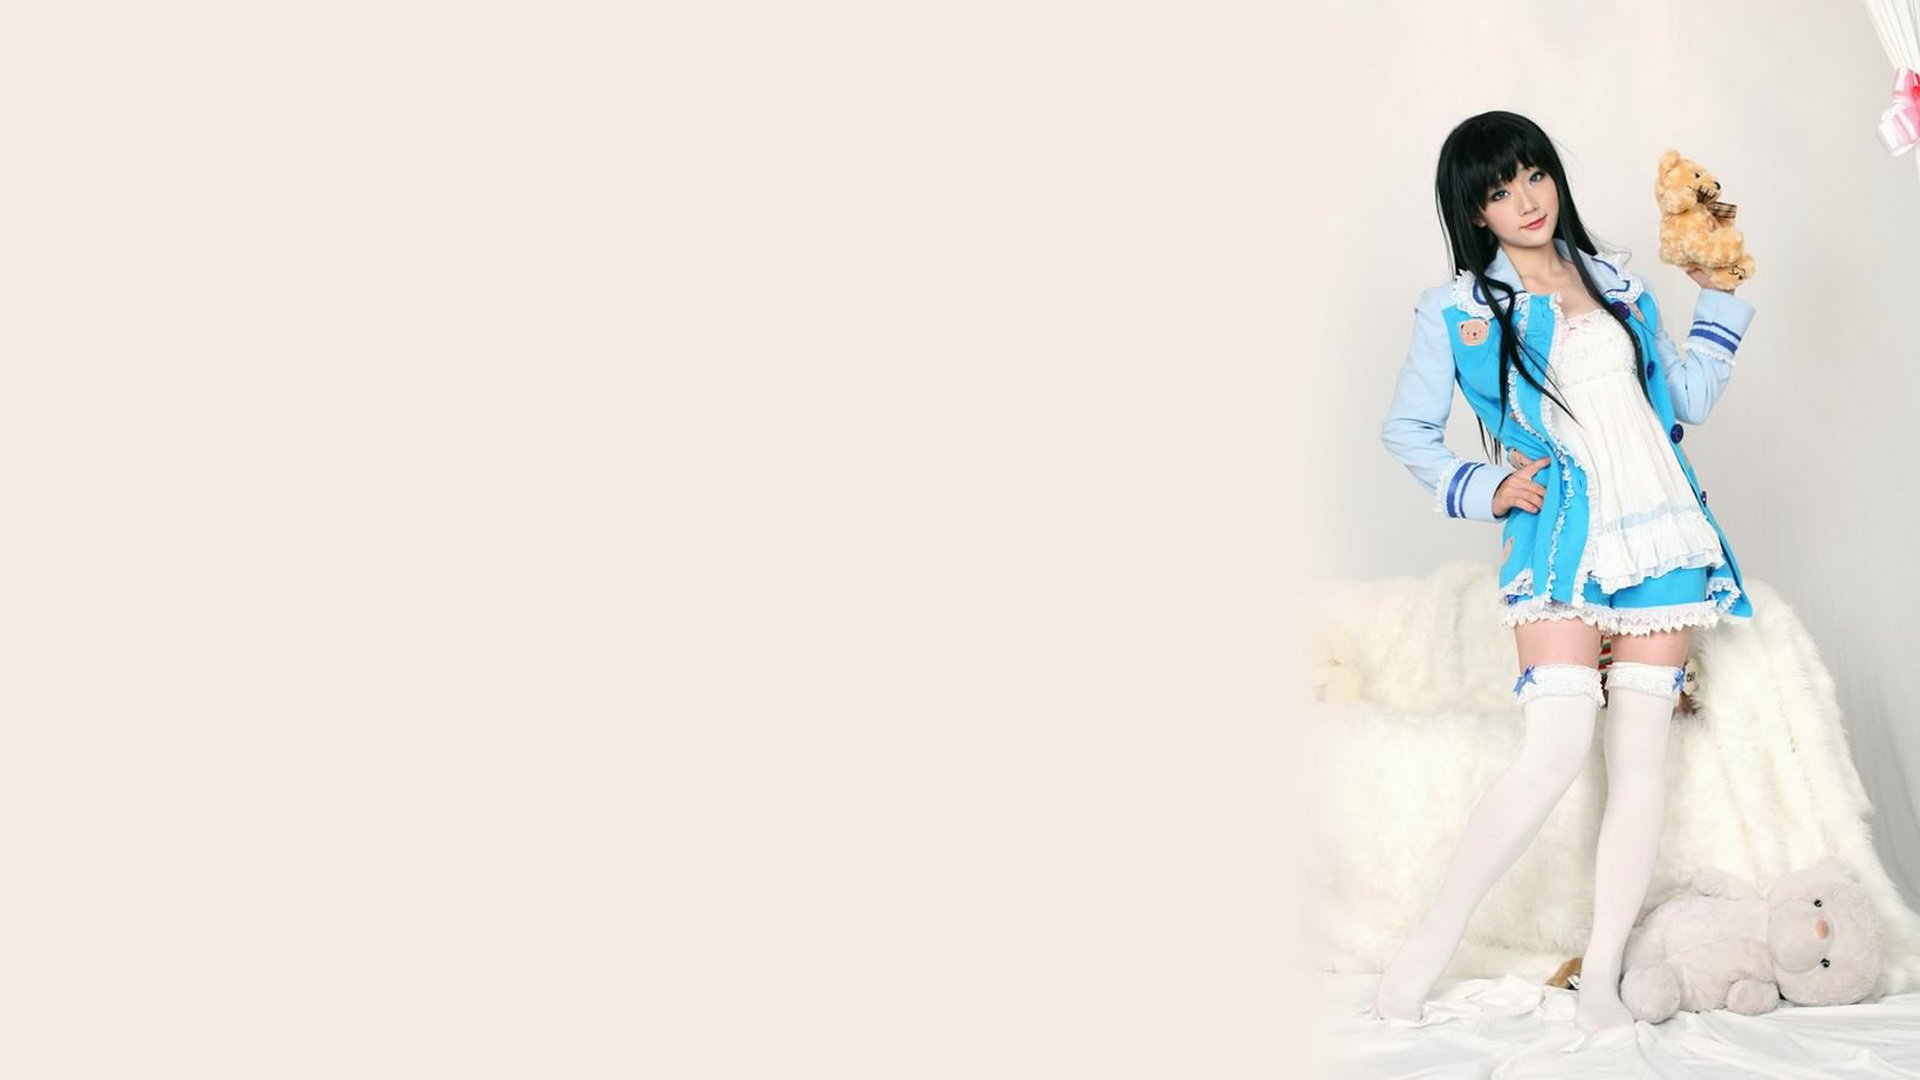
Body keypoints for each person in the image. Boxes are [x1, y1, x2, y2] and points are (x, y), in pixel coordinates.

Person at [1373, 111, 1756, 1031]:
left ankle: (1605, 977)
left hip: (1661, 531)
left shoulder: (1619, 283)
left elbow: (1688, 396)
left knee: (1640, 763)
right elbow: (1407, 430)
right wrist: (1486, 487)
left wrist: (1719, 296)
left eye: (1534, 175)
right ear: (1475, 213)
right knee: (1551, 754)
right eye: (1499, 191)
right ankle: (1426, 947)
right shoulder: (1458, 311)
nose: (1526, 200)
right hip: (1560, 542)